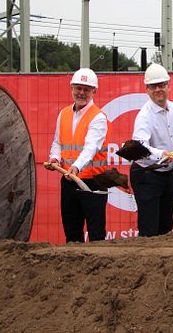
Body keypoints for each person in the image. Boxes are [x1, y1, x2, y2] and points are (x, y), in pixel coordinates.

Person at [47, 68, 111, 242]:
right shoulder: (64, 114)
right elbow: (57, 143)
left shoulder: (98, 117)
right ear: (72, 88)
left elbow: (91, 148)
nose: (81, 93)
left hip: (93, 182)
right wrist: (55, 158)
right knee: (72, 233)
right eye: (78, 88)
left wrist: (76, 166)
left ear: (94, 92)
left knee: (96, 234)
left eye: (86, 89)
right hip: (69, 181)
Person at [130, 63, 173, 236]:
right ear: (147, 89)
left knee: (165, 226)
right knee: (149, 227)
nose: (158, 89)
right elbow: (139, 146)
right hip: (147, 175)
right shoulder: (145, 116)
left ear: (168, 86)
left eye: (162, 85)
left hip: (167, 174)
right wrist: (159, 154)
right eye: (153, 86)